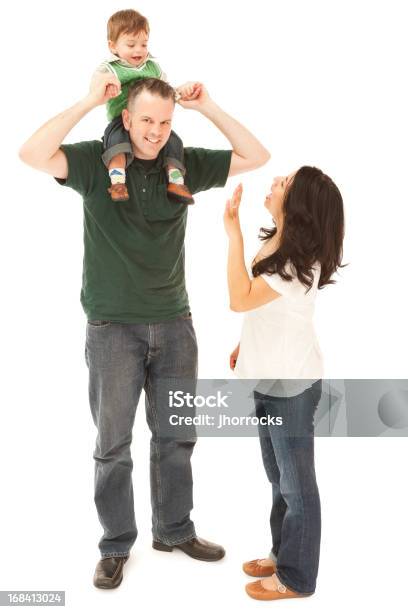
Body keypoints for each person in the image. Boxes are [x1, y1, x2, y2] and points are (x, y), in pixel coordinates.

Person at [19, 72, 270, 588]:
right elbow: (31, 153)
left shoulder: (184, 165)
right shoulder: (95, 161)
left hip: (176, 323)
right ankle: (115, 545)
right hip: (112, 328)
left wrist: (211, 108)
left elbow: (256, 155)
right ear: (126, 120)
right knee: (112, 444)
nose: (155, 132)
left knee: (177, 436)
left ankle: (174, 530)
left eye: (164, 122)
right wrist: (89, 98)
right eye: (146, 121)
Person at [224, 168, 344, 600]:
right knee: (278, 477)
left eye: (286, 183)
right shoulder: (279, 241)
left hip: (289, 386)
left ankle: (296, 578)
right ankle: (281, 552)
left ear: (299, 207)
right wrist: (245, 345)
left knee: (296, 484)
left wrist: (232, 233)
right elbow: (263, 308)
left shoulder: (296, 262)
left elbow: (240, 298)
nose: (276, 180)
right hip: (268, 373)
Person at [96, 8, 194, 204]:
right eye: (131, 44)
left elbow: (165, 90)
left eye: (144, 44)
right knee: (117, 145)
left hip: (151, 118)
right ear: (113, 46)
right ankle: (117, 182)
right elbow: (96, 86)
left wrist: (180, 92)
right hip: (121, 119)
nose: (139, 50)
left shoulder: (153, 67)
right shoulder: (110, 69)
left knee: (173, 143)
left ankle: (176, 181)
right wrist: (105, 84)